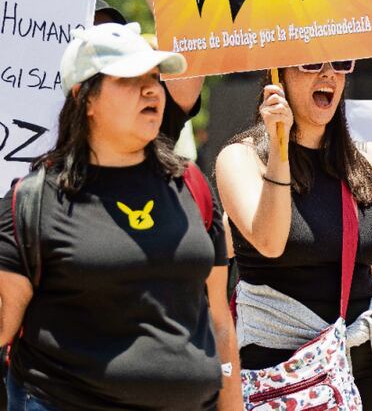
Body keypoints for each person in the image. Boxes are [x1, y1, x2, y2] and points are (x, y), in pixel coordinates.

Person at [0, 23, 240, 410]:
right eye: (130, 79)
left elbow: (220, 323)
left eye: (154, 77)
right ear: (84, 98)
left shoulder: (191, 185)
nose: (151, 90)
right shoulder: (34, 201)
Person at [215, 61, 372, 409]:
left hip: (360, 369)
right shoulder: (241, 159)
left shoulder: (365, 161)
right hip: (281, 374)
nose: (328, 74)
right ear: (278, 75)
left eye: (341, 63)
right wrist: (279, 146)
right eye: (310, 64)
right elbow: (269, 242)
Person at [90, 0, 204, 146]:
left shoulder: (151, 125)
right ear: (80, 95)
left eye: (152, 76)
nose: (151, 89)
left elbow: (188, 45)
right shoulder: (45, 169)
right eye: (120, 77)